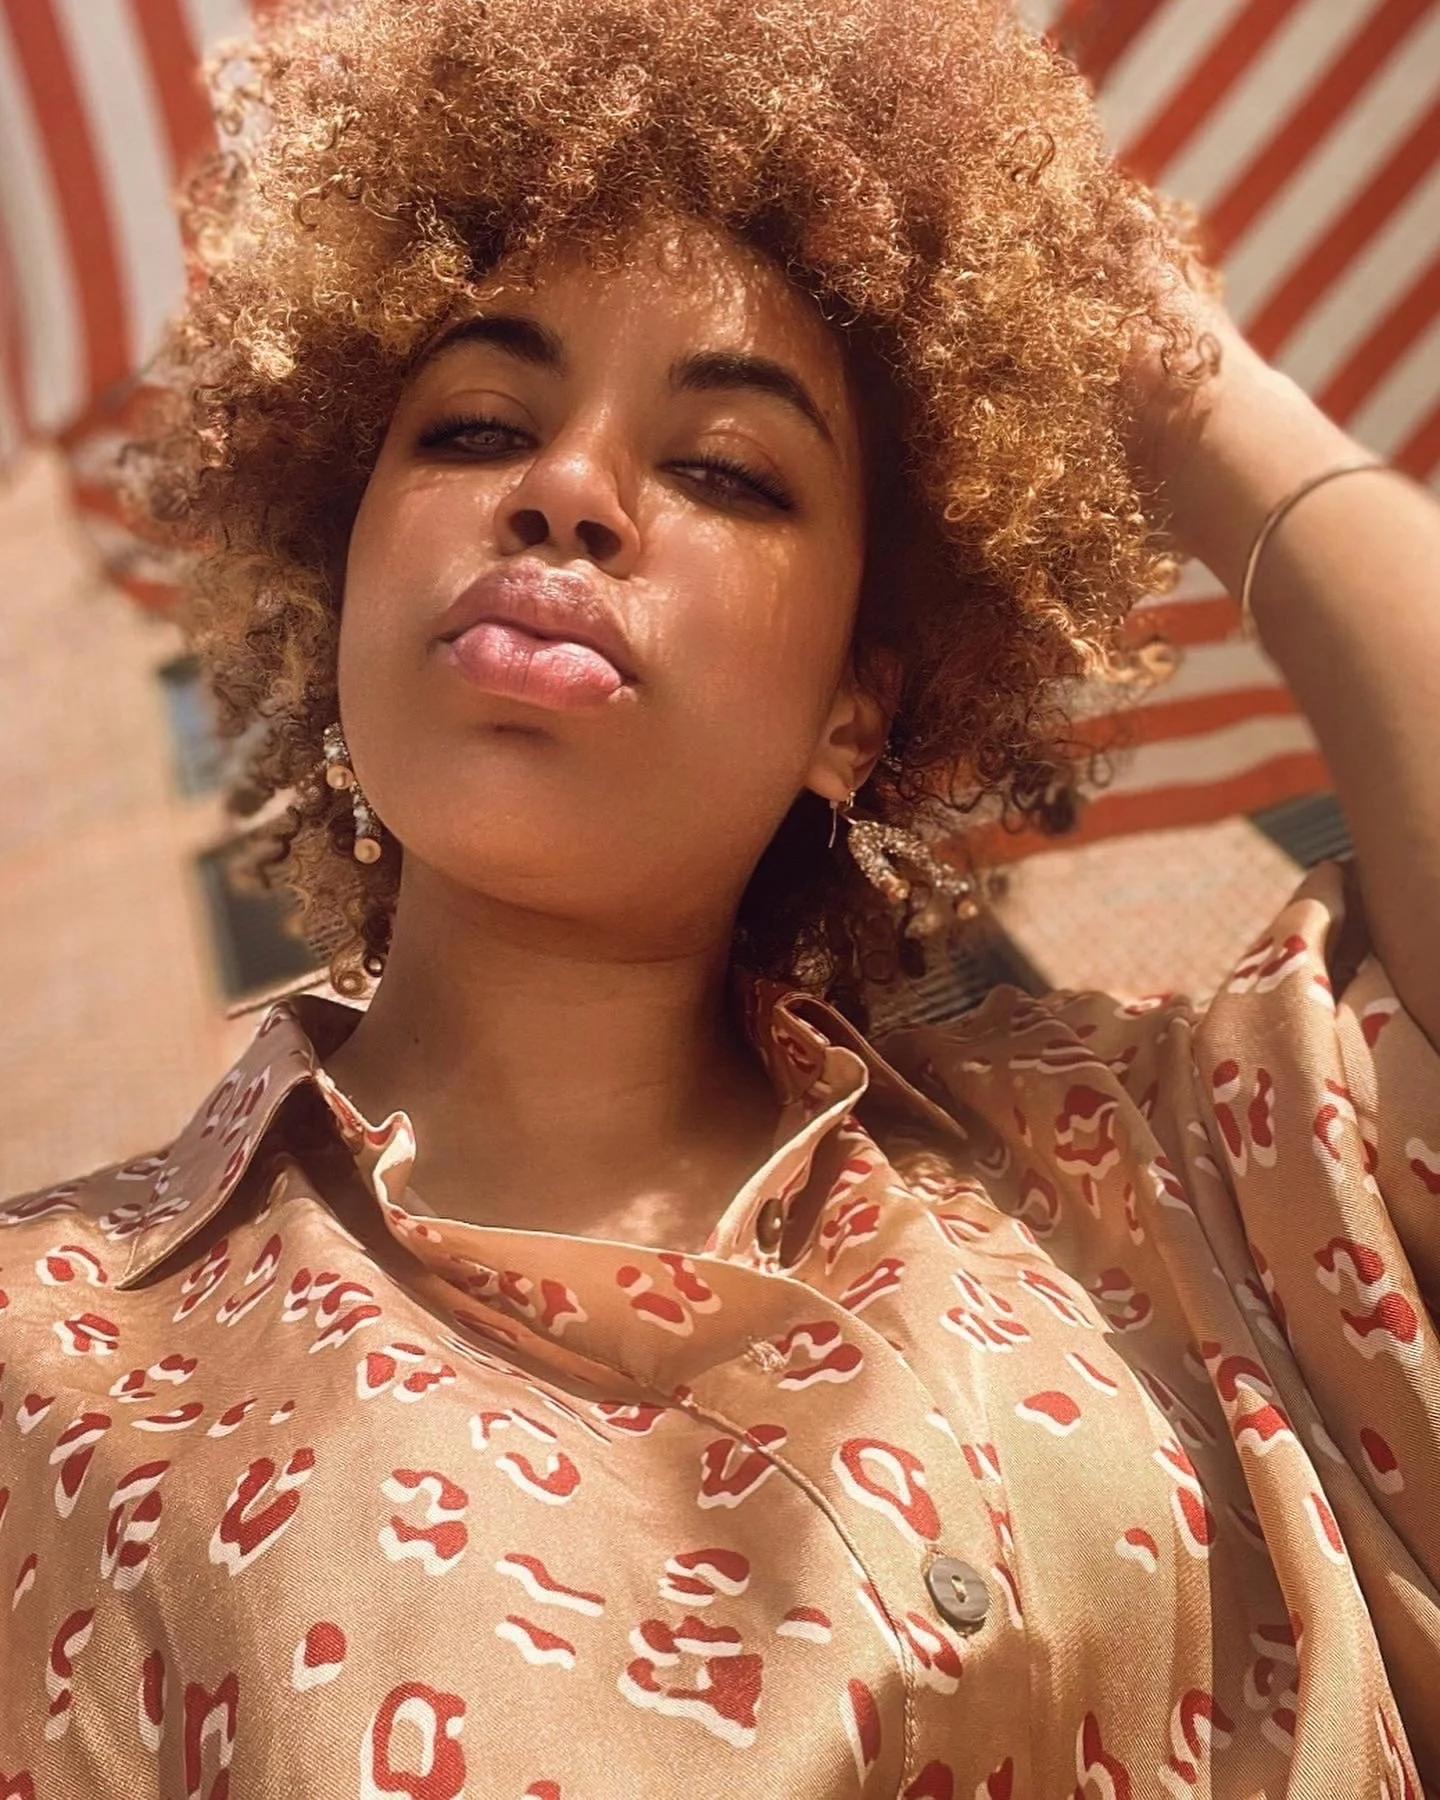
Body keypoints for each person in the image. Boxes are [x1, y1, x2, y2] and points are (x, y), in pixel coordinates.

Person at [2, 0, 1436, 1792]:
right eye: (469, 428)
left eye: (724, 469)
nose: (568, 493)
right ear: (339, 560)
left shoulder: (1144, 1174)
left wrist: (1181, 370)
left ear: (858, 710)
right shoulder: (50, 1359)